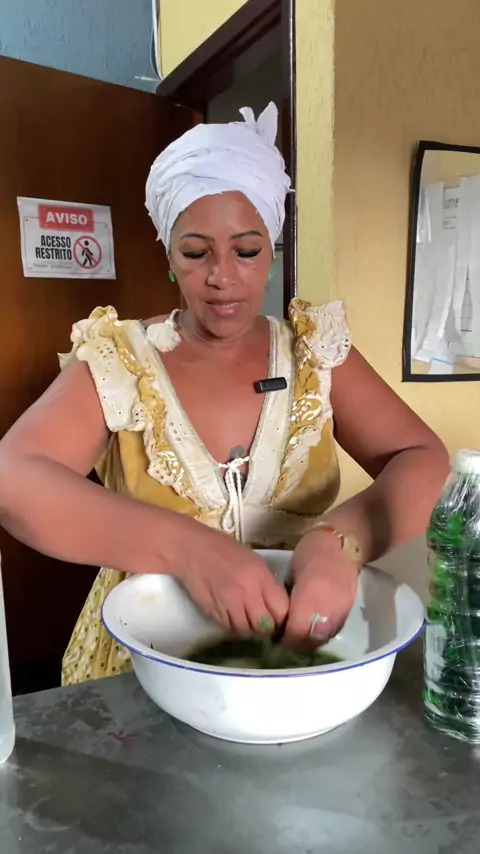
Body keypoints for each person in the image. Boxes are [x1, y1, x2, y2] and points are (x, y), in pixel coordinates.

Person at [0, 104, 448, 686]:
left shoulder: (316, 353)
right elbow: (13, 479)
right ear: (168, 255)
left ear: (272, 250)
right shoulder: (119, 361)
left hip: (295, 661)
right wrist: (187, 549)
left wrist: (341, 542)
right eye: (195, 252)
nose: (223, 276)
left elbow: (423, 457)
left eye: (247, 250)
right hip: (143, 666)